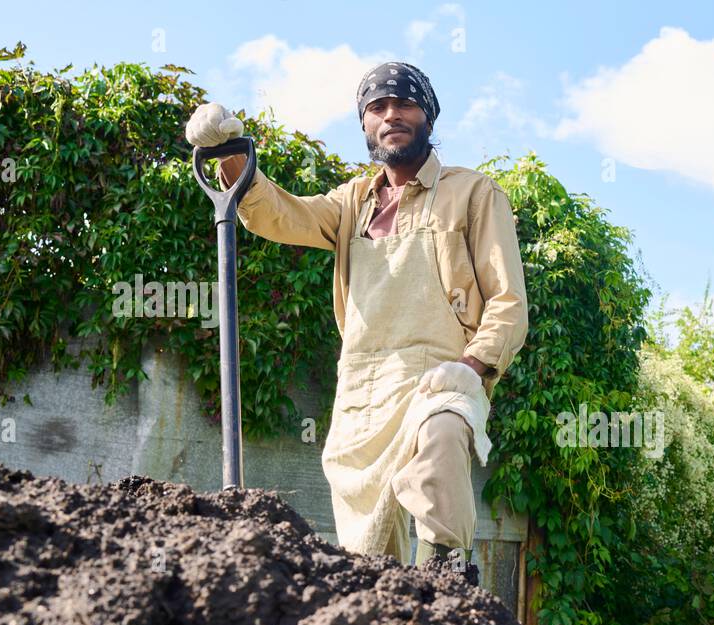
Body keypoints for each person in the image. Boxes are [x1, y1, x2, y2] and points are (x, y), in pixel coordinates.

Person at [185, 62, 528, 571]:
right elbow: (282, 214)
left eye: (405, 103)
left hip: (441, 374)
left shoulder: (472, 193)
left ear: (428, 116)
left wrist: (473, 366)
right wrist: (233, 157)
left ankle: (448, 584)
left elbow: (508, 300)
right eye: (377, 107)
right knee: (369, 556)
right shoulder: (351, 203)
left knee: (442, 437)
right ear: (365, 123)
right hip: (362, 391)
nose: (392, 115)